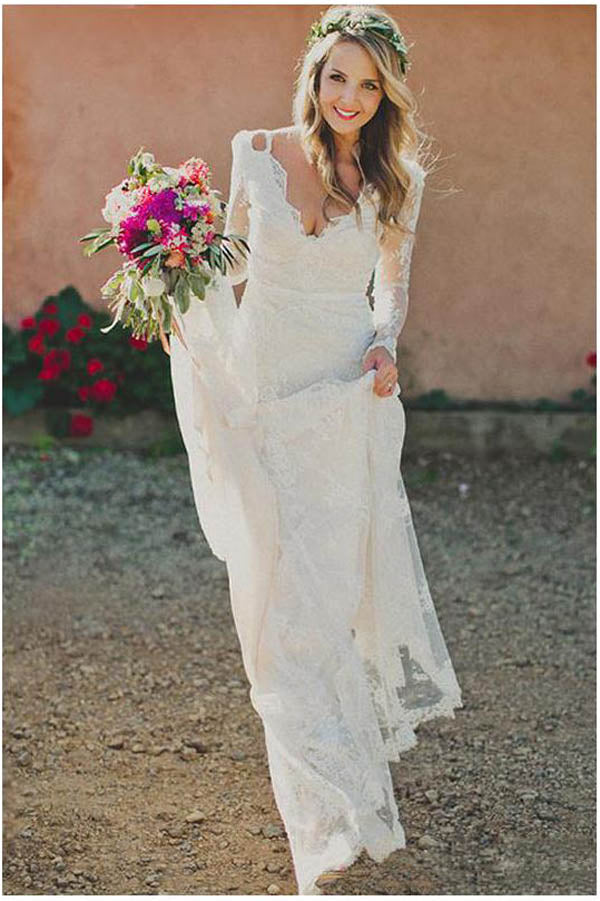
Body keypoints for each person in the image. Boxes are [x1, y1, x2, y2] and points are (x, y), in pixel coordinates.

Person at [169, 4, 463, 895]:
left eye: (370, 84)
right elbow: (230, 264)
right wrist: (171, 264)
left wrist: (384, 345)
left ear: (388, 95)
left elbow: (390, 295)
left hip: (339, 404)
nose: (351, 96)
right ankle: (323, 810)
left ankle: (336, 815)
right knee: (271, 602)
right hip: (262, 398)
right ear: (315, 73)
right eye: (339, 76)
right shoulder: (255, 150)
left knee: (325, 600)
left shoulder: (394, 179)